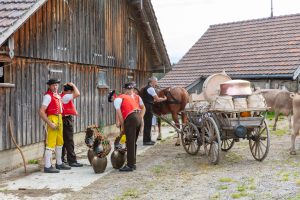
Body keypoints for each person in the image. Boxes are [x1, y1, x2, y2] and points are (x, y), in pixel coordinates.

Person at [110, 82, 145, 172]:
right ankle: (133, 163)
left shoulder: (117, 100)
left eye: (111, 100)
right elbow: (140, 108)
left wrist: (123, 127)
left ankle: (130, 165)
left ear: (113, 96)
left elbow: (120, 115)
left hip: (131, 119)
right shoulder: (128, 97)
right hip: (138, 117)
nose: (112, 101)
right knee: (133, 142)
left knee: (129, 142)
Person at [39, 79, 71, 173]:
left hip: (59, 118)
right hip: (52, 118)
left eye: (56, 85)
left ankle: (59, 163)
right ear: (49, 86)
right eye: (53, 85)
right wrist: (50, 123)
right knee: (51, 143)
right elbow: (41, 111)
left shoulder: (57, 96)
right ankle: (47, 166)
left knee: (60, 142)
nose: (55, 87)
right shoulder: (48, 96)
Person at [60, 82, 83, 167]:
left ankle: (62, 160)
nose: (72, 93)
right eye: (71, 91)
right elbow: (78, 93)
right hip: (66, 119)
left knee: (62, 141)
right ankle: (72, 161)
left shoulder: (61, 95)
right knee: (69, 141)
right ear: (69, 91)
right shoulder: (66, 96)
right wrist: (73, 84)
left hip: (62, 119)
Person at [141, 76, 167, 145]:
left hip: (146, 106)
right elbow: (157, 99)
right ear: (152, 82)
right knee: (148, 124)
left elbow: (153, 99)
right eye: (156, 82)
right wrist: (164, 99)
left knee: (148, 124)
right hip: (148, 107)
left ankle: (148, 139)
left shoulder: (146, 88)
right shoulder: (151, 89)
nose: (156, 83)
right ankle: (146, 141)